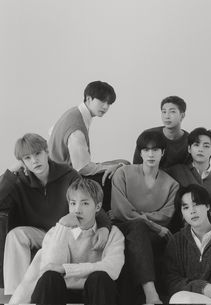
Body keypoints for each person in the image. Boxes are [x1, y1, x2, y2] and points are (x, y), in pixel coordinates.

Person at [0, 133, 111, 295]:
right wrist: (10, 172)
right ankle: (17, 296)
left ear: (46, 152)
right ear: (22, 162)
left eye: (38, 154)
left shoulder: (68, 175)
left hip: (65, 234)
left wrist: (104, 227)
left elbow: (90, 202)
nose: (34, 161)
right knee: (15, 235)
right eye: (27, 158)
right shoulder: (18, 181)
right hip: (38, 234)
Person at [10, 177, 125, 305]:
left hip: (94, 291)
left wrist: (66, 269)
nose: (77, 209)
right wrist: (62, 227)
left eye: (85, 203)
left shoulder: (113, 233)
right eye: (73, 203)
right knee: (49, 278)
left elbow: (112, 269)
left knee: (101, 278)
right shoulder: (56, 231)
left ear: (97, 207)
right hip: (60, 290)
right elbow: (51, 267)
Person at [111, 130, 179, 304]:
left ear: (162, 153)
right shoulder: (123, 173)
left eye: (155, 150)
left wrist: (140, 216)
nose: (150, 154)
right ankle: (150, 293)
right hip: (121, 227)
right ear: (140, 152)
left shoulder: (172, 184)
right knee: (138, 227)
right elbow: (121, 211)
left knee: (141, 230)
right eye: (146, 149)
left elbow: (166, 215)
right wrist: (153, 224)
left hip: (151, 235)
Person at [48, 80, 129, 211]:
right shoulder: (76, 128)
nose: (106, 107)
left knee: (122, 163)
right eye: (102, 101)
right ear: (89, 98)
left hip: (61, 170)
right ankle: (110, 214)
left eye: (109, 103)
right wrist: (109, 167)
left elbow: (51, 131)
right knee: (117, 171)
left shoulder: (74, 112)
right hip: (66, 179)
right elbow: (82, 168)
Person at [164, 184, 211, 304]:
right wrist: (202, 288)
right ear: (182, 213)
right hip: (186, 300)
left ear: (208, 206)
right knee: (180, 298)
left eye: (196, 204)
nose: (192, 211)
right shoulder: (176, 241)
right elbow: (170, 281)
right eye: (186, 208)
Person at [166, 127, 211, 232]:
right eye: (196, 145)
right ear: (189, 149)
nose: (200, 149)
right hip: (189, 227)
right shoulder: (176, 172)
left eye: (206, 146)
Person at [133, 96, 188, 169]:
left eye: (172, 112)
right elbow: (136, 165)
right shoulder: (149, 135)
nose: (167, 116)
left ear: (182, 115)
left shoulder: (189, 141)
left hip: (177, 179)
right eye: (164, 112)